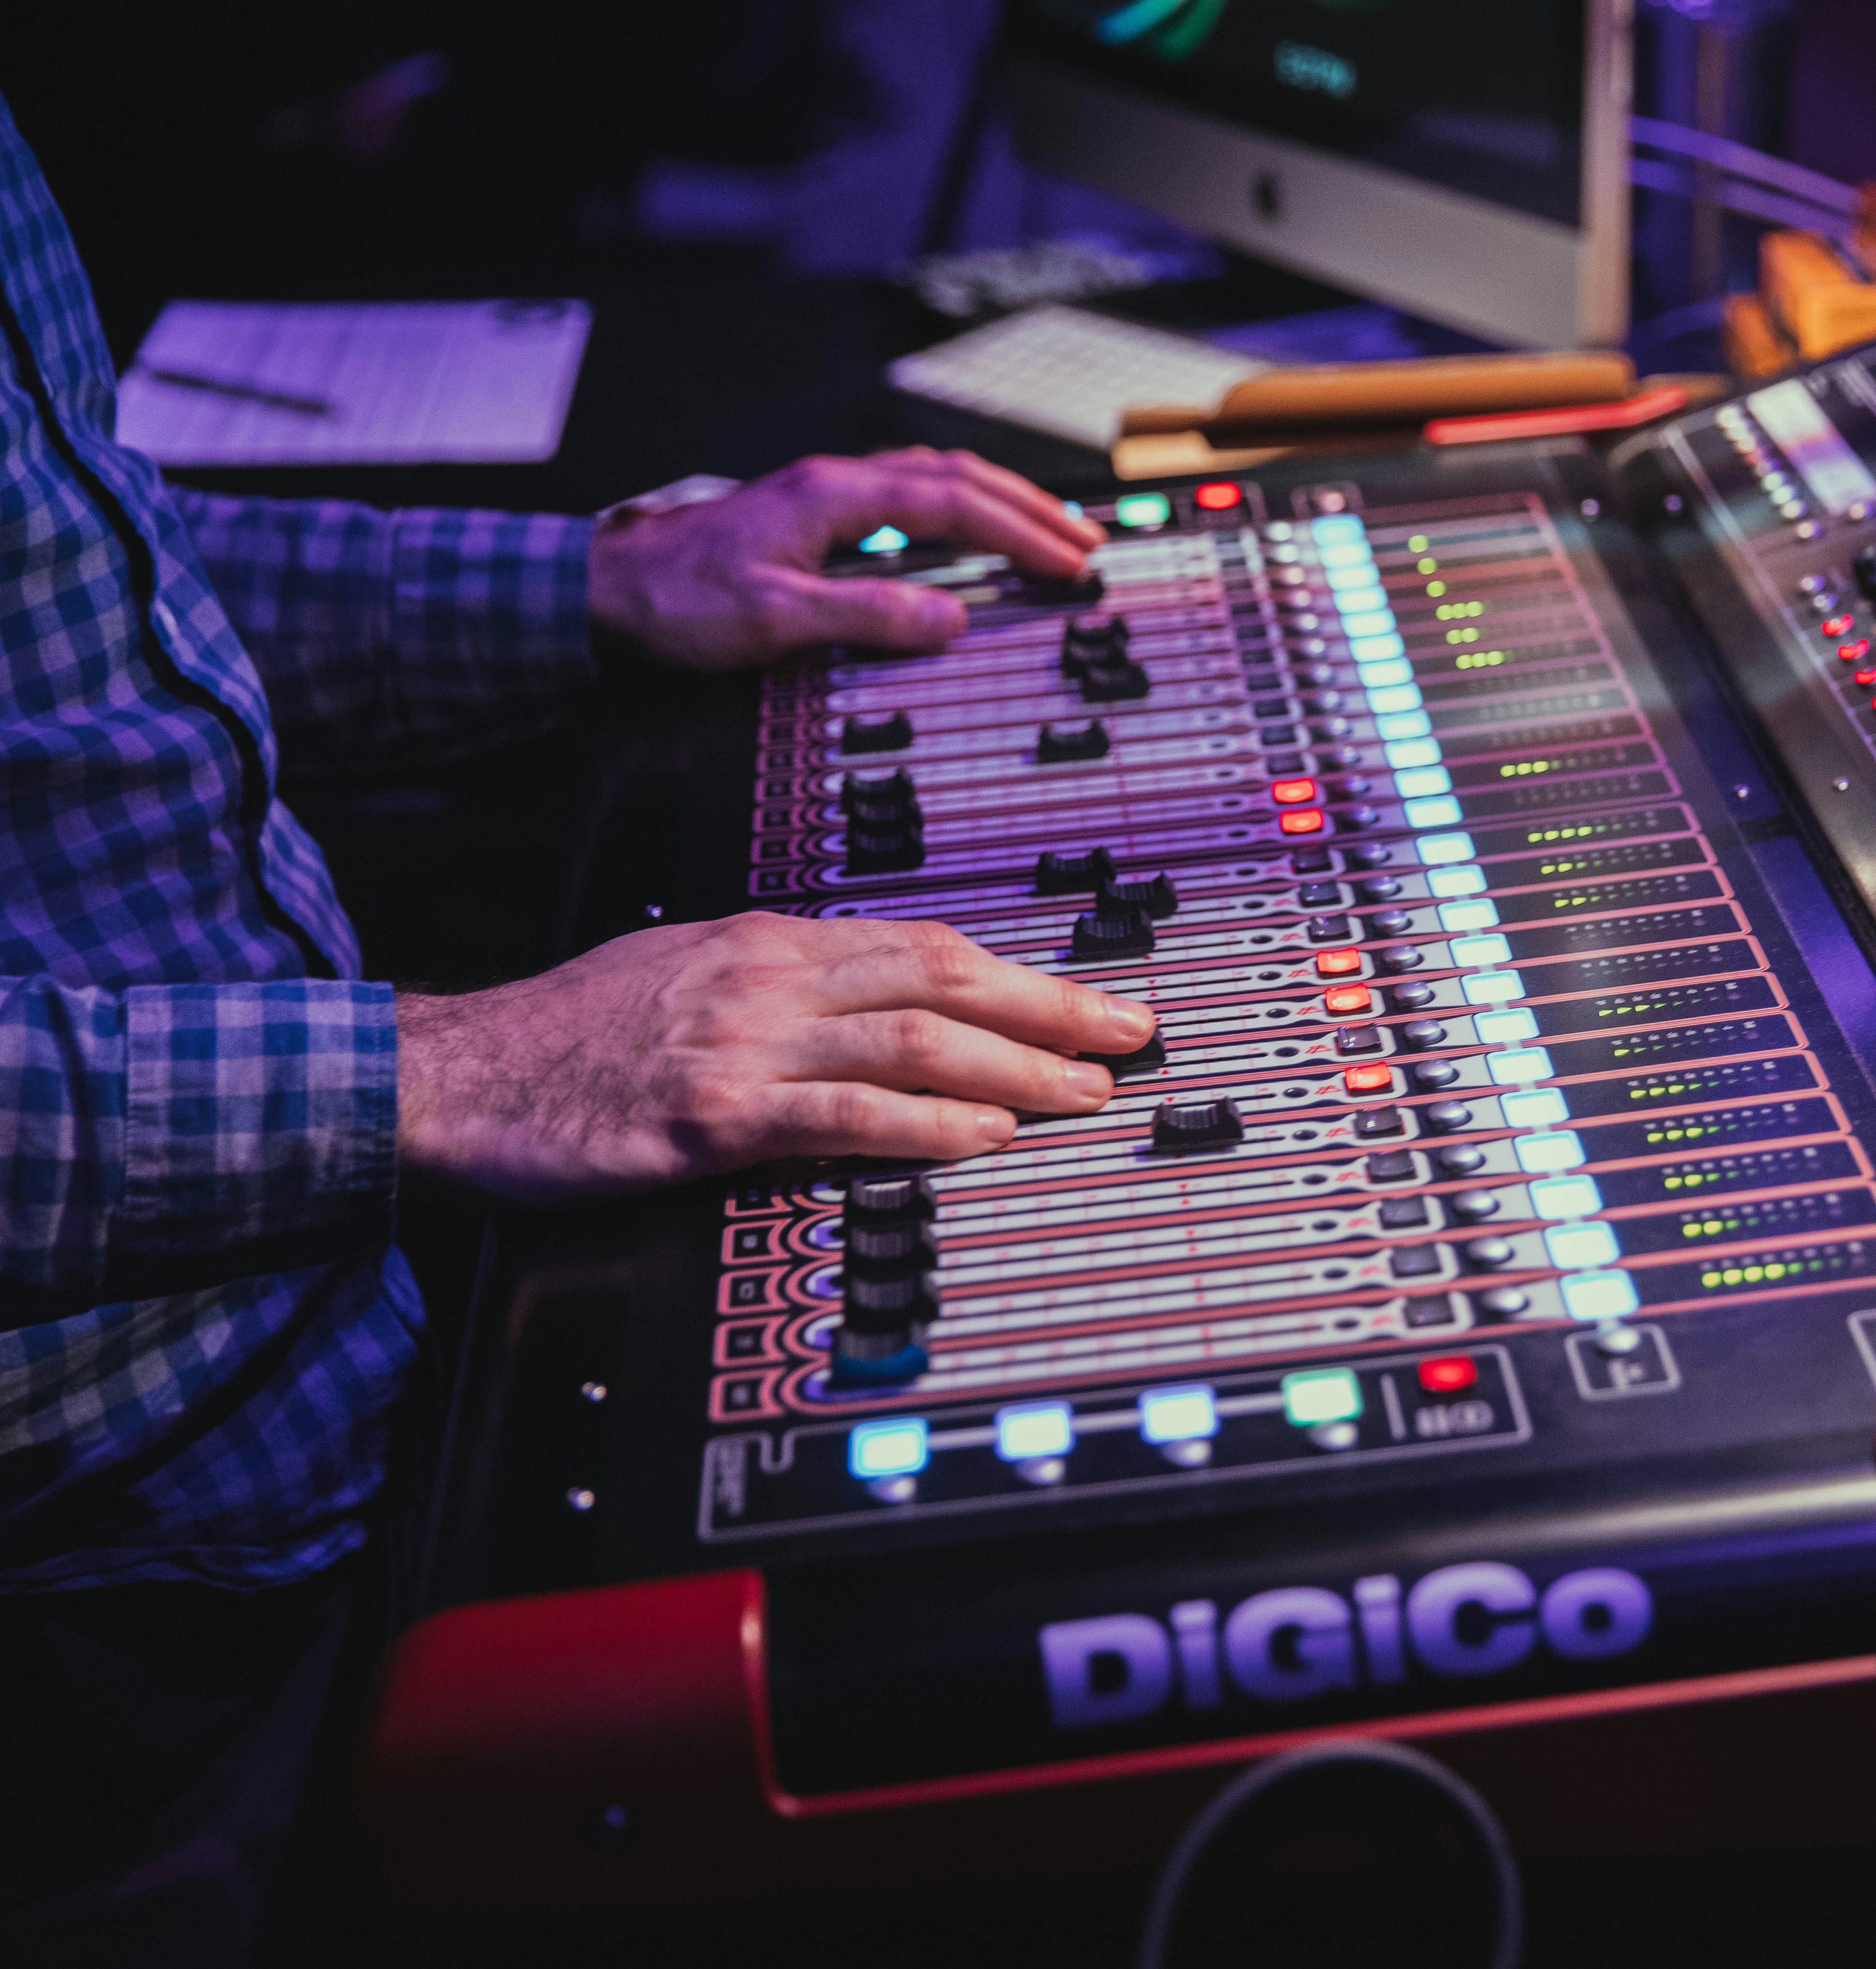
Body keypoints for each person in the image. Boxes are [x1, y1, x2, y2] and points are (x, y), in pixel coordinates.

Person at [0, 91, 1148, 1958]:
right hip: (116, 1610)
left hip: (336, 1372)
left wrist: (598, 588)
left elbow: (72, 580)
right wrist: (459, 1067)